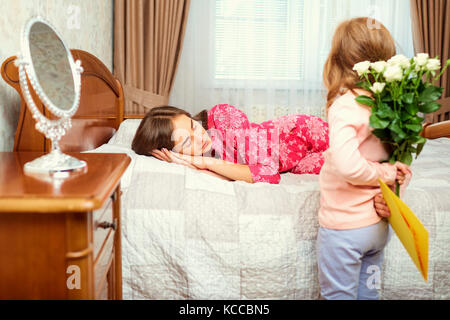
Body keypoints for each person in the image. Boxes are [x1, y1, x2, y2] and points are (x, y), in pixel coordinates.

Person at [317, 17, 412, 300]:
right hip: (377, 230)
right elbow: (400, 165)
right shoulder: (388, 103)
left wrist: (383, 175)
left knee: (339, 296)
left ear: (338, 60)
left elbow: (348, 166)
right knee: (368, 295)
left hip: (345, 230)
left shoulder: (346, 104)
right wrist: (393, 180)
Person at [132, 104, 329, 184]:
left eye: (193, 126)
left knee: (353, 150)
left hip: (301, 133)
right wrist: (194, 165)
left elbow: (269, 174)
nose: (199, 137)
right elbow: (236, 176)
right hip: (295, 164)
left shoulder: (223, 116)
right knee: (343, 166)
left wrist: (207, 164)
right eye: (186, 141)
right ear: (173, 152)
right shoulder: (197, 162)